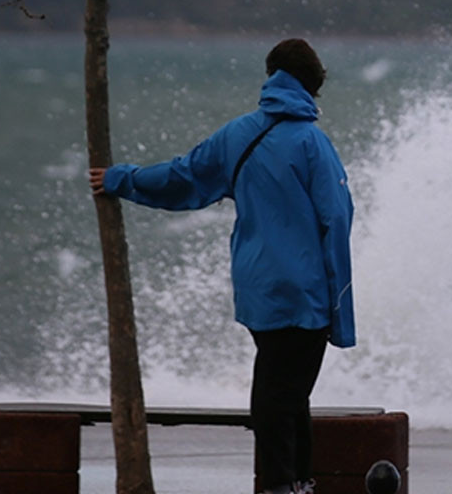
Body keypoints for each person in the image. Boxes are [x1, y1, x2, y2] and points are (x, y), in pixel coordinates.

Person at [89, 38, 354, 494]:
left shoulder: (238, 135)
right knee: (279, 397)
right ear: (312, 86)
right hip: (303, 292)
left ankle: (298, 483)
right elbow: (337, 219)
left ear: (271, 77)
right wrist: (340, 312)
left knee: (287, 392)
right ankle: (283, 486)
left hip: (257, 288)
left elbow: (181, 177)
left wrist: (121, 178)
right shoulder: (312, 143)